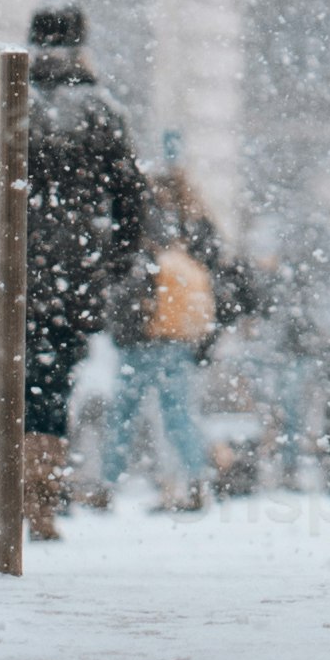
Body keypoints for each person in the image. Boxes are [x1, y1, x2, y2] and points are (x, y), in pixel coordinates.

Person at [0, 2, 148, 542]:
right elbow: (132, 201)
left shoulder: (4, 99)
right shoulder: (100, 109)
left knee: (0, 388)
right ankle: (41, 498)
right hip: (70, 280)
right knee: (52, 390)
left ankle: (1, 492)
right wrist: (111, 263)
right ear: (80, 43)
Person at [103, 132, 236, 514]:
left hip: (141, 333)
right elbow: (217, 275)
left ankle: (108, 485)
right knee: (177, 414)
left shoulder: (149, 223)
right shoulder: (197, 225)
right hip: (178, 335)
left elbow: (124, 273)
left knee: (124, 415)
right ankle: (193, 481)